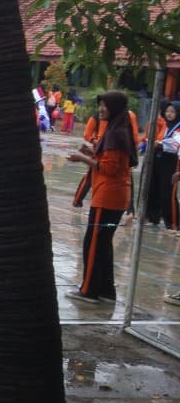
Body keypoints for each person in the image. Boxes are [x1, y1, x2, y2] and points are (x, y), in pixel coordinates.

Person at [65, 91, 137, 303]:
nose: (101, 109)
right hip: (113, 195)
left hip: (108, 197)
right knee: (103, 244)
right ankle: (106, 290)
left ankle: (89, 291)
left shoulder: (116, 134)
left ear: (114, 108)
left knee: (94, 244)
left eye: (105, 105)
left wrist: (82, 158)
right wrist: (91, 153)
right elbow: (109, 161)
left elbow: (109, 168)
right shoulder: (116, 130)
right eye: (101, 105)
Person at [147, 101, 180, 230]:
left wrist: (160, 144)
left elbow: (175, 144)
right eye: (167, 111)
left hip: (171, 162)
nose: (169, 114)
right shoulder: (164, 125)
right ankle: (153, 218)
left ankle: (173, 223)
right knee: (155, 188)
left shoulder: (178, 127)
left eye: (172, 112)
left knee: (168, 192)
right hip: (158, 159)